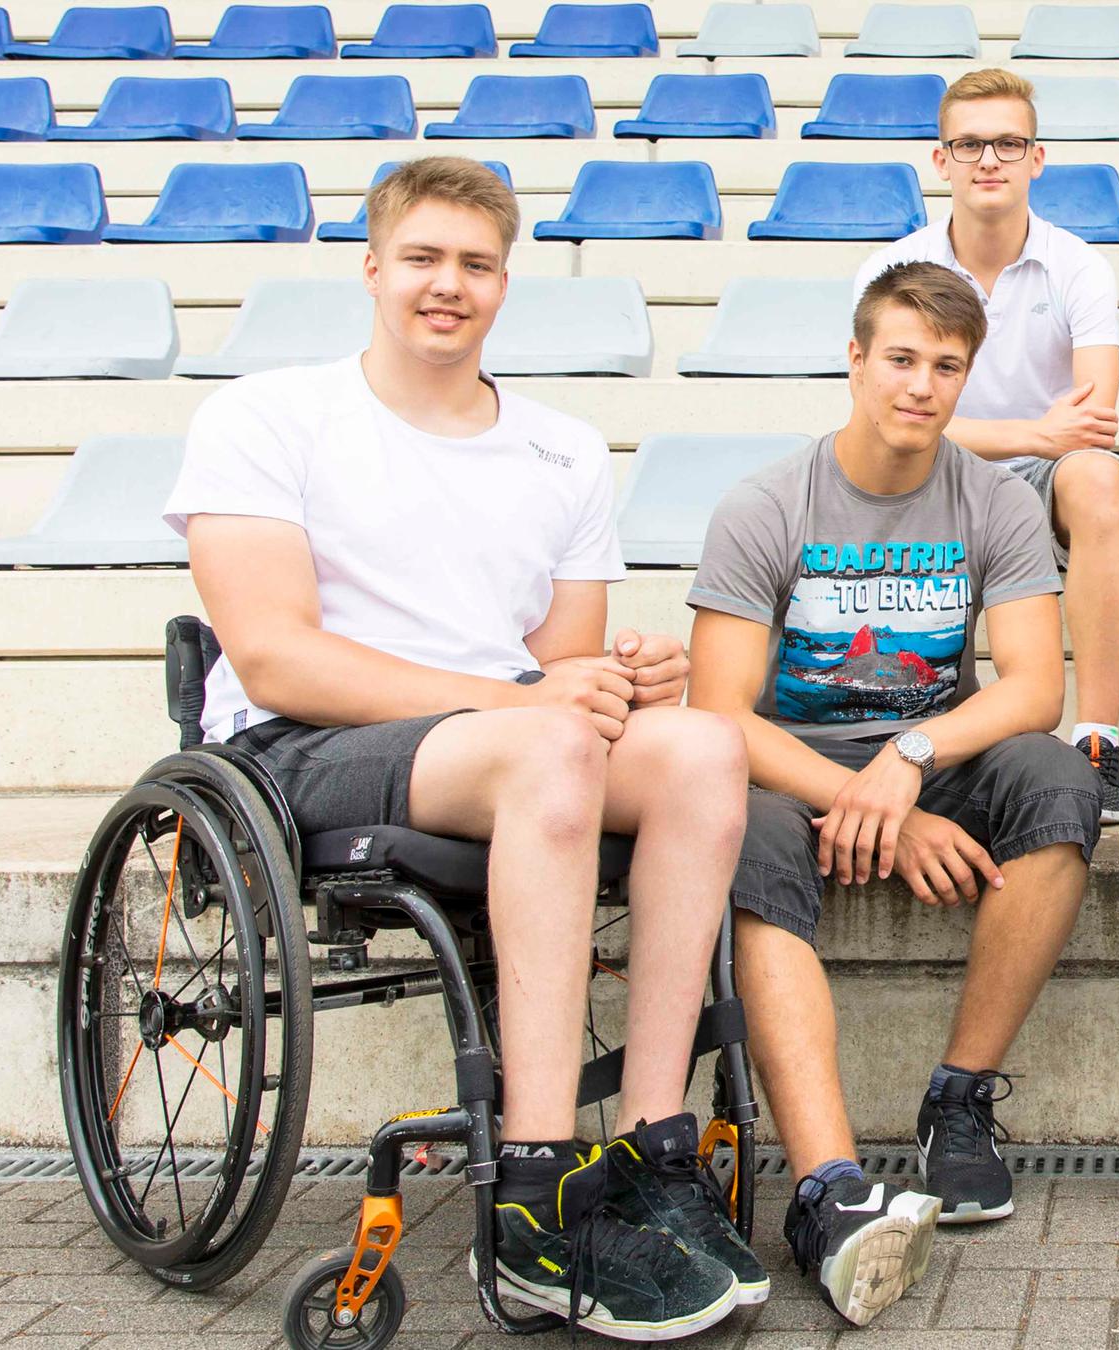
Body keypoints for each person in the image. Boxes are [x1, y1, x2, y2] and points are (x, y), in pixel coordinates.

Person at [161, 157, 762, 1340]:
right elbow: (276, 659)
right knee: (547, 751)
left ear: (504, 282)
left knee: (696, 749)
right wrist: (521, 700)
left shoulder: (562, 449)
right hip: (304, 748)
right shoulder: (266, 416)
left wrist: (616, 683)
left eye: (476, 265)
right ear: (373, 267)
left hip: (493, 737)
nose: (449, 285)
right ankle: (533, 1198)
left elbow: (561, 675)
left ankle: (653, 1151)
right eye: (424, 259)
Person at [687, 262, 1102, 1323]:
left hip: (928, 760)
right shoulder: (766, 505)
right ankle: (827, 1188)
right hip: (793, 765)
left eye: (947, 366)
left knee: (1061, 782)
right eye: (903, 359)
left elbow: (1037, 689)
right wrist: (864, 799)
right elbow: (720, 712)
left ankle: (957, 1105)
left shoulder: (992, 502)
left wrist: (909, 767)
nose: (922, 385)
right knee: (741, 839)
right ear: (858, 360)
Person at [853, 68, 1119, 823]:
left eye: (1008, 143)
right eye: (970, 144)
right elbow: (881, 413)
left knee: (1099, 479)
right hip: (928, 469)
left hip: (1043, 475)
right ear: (940, 160)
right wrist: (1033, 432)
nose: (989, 160)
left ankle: (1099, 737)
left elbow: (1093, 417)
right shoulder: (892, 270)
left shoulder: (1079, 264)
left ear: (1036, 159)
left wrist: (1037, 443)